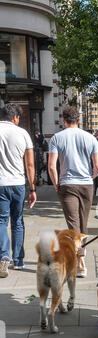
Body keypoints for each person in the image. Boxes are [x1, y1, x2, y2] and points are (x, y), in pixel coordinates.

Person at [48, 106, 98, 278]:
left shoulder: (57, 138)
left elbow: (51, 166)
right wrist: (89, 178)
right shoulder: (90, 138)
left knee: (73, 225)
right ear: (78, 120)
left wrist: (57, 184)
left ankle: (80, 262)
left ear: (64, 120)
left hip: (67, 184)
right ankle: (81, 259)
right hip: (86, 185)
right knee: (83, 224)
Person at [0, 103, 37, 278]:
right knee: (18, 221)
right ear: (15, 117)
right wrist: (32, 188)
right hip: (17, 184)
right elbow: (30, 165)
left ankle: (3, 256)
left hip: (0, 184)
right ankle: (19, 260)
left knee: (1, 221)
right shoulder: (23, 134)